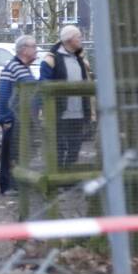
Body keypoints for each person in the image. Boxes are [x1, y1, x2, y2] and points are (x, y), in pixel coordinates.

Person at [39, 25, 92, 168]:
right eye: (79, 37)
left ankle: (68, 177)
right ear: (69, 39)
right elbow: (43, 84)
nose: (81, 39)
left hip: (78, 113)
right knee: (59, 148)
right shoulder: (51, 59)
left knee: (75, 148)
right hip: (59, 114)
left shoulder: (80, 59)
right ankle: (58, 179)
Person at [0, 34, 37, 194]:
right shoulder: (12, 67)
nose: (36, 50)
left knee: (20, 152)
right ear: (23, 50)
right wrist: (5, 119)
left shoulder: (24, 67)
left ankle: (18, 183)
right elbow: (4, 94)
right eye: (33, 47)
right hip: (13, 120)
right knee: (10, 153)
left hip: (23, 119)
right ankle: (7, 186)